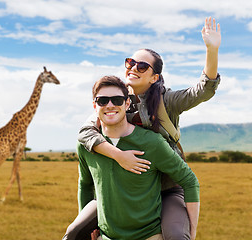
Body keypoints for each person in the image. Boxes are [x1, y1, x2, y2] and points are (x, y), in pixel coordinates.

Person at [63, 17, 221, 240]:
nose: (134, 68)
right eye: (130, 62)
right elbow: (85, 133)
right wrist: (119, 156)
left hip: (166, 185)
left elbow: (203, 91)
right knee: (74, 232)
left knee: (176, 235)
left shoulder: (167, 101)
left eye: (142, 66)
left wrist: (211, 50)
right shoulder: (114, 101)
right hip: (125, 187)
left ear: (154, 77)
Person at [68, 75, 200, 240]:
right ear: (95, 105)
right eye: (103, 101)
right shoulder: (86, 146)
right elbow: (85, 185)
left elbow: (189, 180)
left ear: (127, 103)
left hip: (149, 236)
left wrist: (192, 232)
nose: (110, 105)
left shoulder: (152, 142)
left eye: (117, 100)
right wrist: (87, 227)